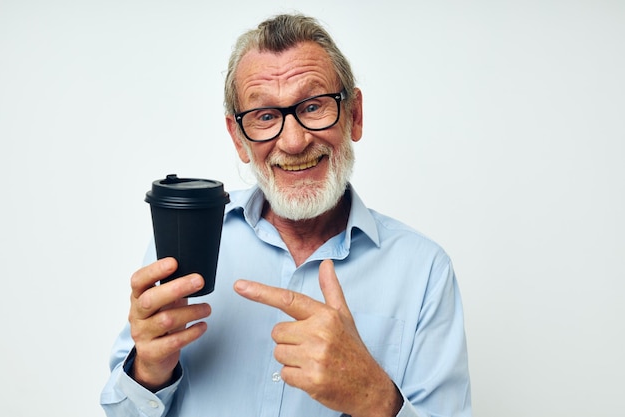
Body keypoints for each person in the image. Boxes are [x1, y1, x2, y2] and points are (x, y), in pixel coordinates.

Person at [100, 13, 471, 417]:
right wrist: (149, 370)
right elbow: (121, 411)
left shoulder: (425, 270)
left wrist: (375, 397)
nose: (293, 142)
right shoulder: (183, 241)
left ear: (355, 115)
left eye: (313, 106)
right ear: (238, 138)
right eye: (264, 116)